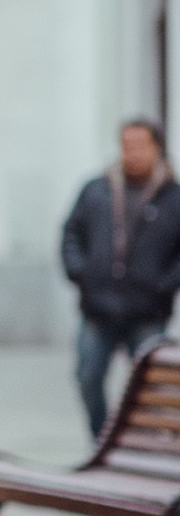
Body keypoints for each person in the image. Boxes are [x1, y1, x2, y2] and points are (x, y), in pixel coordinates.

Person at [61, 117, 180, 437]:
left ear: (157, 148)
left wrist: (165, 285)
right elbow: (71, 233)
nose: (134, 153)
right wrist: (80, 272)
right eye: (128, 145)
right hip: (98, 308)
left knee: (151, 389)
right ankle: (102, 442)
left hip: (148, 311)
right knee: (88, 377)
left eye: (141, 145)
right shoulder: (96, 189)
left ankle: (143, 447)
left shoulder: (173, 196)